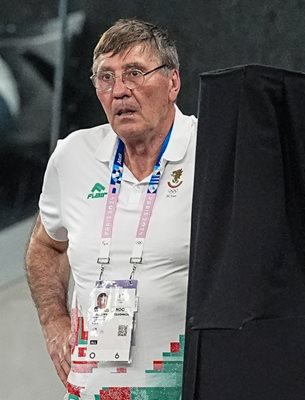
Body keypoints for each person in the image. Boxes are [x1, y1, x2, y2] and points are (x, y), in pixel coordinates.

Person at [25, 19, 196, 400]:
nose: (120, 91)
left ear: (173, 83)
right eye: (106, 78)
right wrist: (54, 322)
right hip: (91, 390)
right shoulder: (73, 155)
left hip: (182, 386)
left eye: (134, 73)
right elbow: (46, 245)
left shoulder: (211, 151)